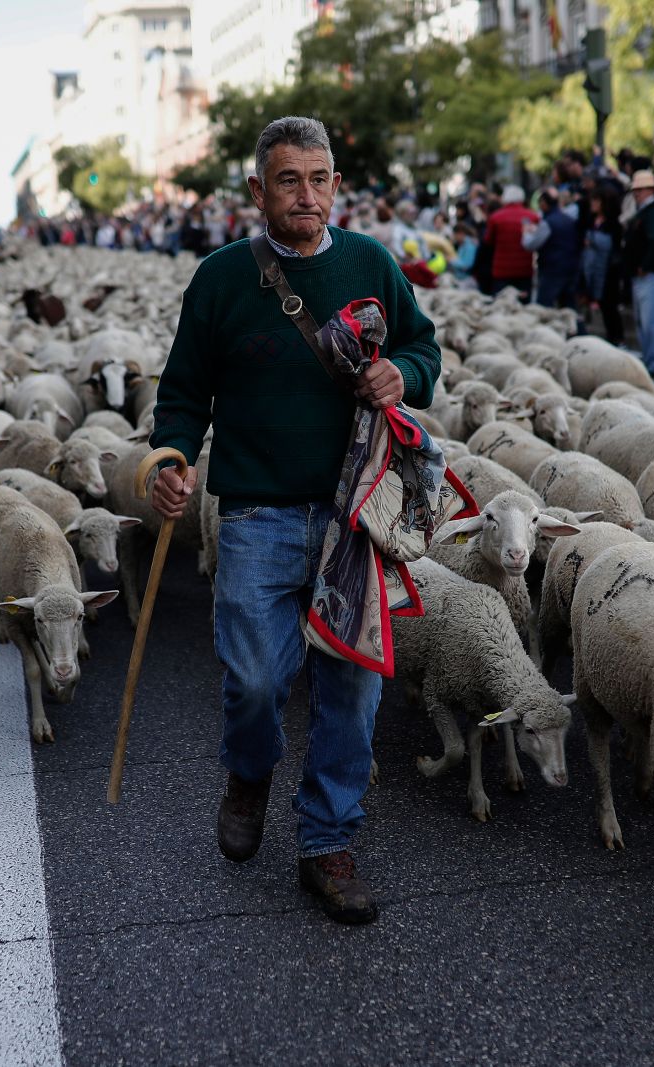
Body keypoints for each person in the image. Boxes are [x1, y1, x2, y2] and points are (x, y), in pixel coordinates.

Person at [147, 116, 442, 926]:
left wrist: (400, 373)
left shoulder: (371, 263)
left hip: (355, 514)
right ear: (257, 190)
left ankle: (328, 841)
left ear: (336, 187)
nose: (305, 195)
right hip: (257, 513)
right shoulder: (219, 280)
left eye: (319, 179)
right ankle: (249, 773)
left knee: (351, 685)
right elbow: (182, 397)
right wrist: (170, 460)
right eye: (288, 180)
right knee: (255, 679)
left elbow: (425, 351)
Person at [624, 170, 654, 376]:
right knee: (644, 319)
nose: (636, 193)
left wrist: (645, 265)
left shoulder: (653, 213)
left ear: (650, 190)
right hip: (644, 272)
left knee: (651, 318)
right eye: (635, 190)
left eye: (640, 189)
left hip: (651, 272)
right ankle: (650, 358)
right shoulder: (644, 212)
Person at [523, 187, 581, 310]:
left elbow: (530, 245)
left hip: (552, 270)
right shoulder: (568, 220)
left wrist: (526, 233)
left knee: (544, 307)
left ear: (544, 204)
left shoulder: (548, 222)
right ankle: (577, 329)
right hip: (570, 268)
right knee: (569, 308)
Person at [581, 188, 625, 343]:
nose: (592, 204)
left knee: (610, 306)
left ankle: (617, 338)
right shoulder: (590, 220)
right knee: (604, 308)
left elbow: (610, 246)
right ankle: (611, 337)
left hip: (608, 271)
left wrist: (593, 241)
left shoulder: (613, 224)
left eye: (596, 200)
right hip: (593, 268)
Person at [484, 184, 538, 297]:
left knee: (501, 304)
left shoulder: (496, 217)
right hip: (524, 269)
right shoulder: (533, 217)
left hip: (501, 270)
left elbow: (488, 241)